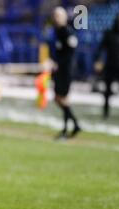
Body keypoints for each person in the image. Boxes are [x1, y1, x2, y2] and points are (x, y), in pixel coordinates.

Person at [49, 7, 81, 139]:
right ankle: (73, 126)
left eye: (58, 16)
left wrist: (58, 63)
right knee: (59, 98)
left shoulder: (68, 32)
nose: (56, 18)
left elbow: (70, 53)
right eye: (54, 15)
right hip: (59, 70)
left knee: (62, 98)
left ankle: (68, 128)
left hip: (66, 70)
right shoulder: (56, 32)